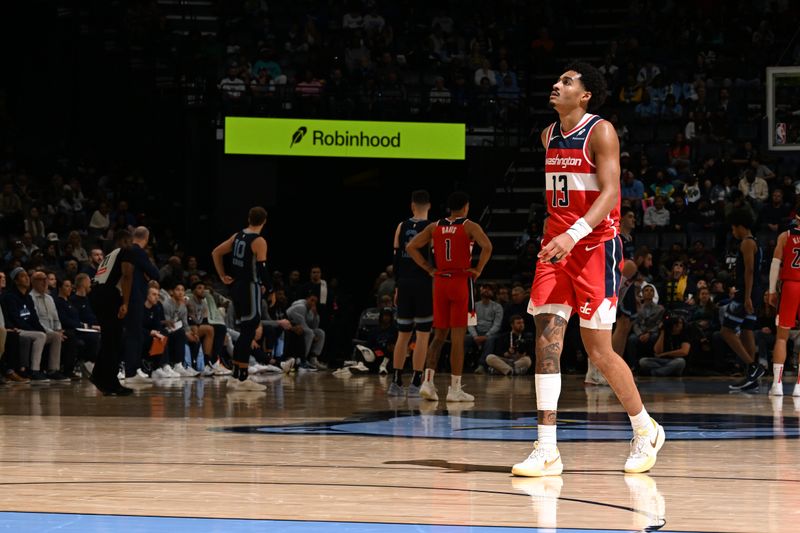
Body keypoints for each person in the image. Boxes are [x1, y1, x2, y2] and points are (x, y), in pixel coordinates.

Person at [513, 62, 665, 478]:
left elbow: (611, 192)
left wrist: (573, 234)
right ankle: (546, 449)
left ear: (584, 95)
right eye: (557, 79)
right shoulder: (547, 135)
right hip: (555, 248)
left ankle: (644, 429)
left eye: (566, 82)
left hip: (595, 246)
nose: (556, 85)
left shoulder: (601, 131)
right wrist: (557, 239)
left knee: (599, 350)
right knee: (547, 341)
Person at [406, 191, 493, 402]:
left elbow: (411, 247)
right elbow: (487, 247)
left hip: (440, 282)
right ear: (466, 207)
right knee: (457, 340)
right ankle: (455, 389)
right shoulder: (469, 226)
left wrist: (428, 267)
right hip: (460, 281)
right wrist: (479, 269)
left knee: (438, 336)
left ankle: (427, 382)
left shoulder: (434, 226)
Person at [211, 206, 273, 391]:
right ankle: (242, 378)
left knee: (245, 330)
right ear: (264, 221)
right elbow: (262, 268)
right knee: (249, 331)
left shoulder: (238, 235)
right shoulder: (259, 240)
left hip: (236, 287)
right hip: (249, 287)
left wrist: (222, 275)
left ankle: (237, 375)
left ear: (248, 218)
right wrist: (270, 289)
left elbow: (216, 252)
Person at [388, 190, 433, 398]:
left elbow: (396, 260)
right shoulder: (432, 228)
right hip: (424, 283)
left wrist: (397, 286)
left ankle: (396, 380)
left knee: (403, 334)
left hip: (404, 283)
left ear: (412, 205)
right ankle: (416, 380)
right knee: (423, 335)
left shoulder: (401, 226)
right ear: (429, 206)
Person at [88, 230, 135, 395]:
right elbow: (127, 275)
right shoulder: (126, 252)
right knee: (115, 340)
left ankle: (100, 376)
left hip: (97, 295)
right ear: (126, 240)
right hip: (109, 297)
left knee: (111, 339)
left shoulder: (109, 256)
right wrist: (126, 303)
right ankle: (110, 380)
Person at [724, 210, 765, 391]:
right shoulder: (755, 242)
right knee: (747, 329)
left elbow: (749, 271)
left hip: (747, 292)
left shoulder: (747, 243)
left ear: (740, 227)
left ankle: (753, 366)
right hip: (755, 291)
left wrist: (746, 296)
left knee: (726, 331)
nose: (732, 231)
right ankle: (752, 376)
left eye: (733, 228)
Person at [766, 216, 800, 397]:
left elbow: (775, 265)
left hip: (790, 286)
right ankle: (799, 386)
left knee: (781, 337)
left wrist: (772, 291)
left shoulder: (785, 236)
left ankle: (777, 384)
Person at [121, 227, 160, 381]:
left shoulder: (124, 251)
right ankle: (132, 371)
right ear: (147, 238)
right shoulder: (138, 251)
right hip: (135, 297)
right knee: (135, 335)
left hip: (124, 296)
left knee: (131, 334)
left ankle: (131, 369)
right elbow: (155, 274)